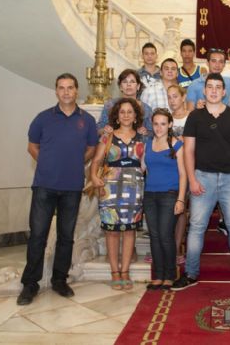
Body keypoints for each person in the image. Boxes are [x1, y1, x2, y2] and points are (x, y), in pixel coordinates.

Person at [172, 73, 230, 292]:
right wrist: (192, 179)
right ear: (204, 90)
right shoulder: (195, 117)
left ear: (224, 91)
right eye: (209, 86)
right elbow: (188, 150)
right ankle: (190, 273)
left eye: (218, 87)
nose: (213, 90)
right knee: (197, 227)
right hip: (202, 177)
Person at [17, 73, 98, 306]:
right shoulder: (43, 118)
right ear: (56, 91)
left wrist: (75, 162)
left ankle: (59, 279)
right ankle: (30, 284)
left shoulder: (87, 121)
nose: (66, 92)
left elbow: (92, 148)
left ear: (76, 91)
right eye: (61, 88)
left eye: (70, 87)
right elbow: (32, 146)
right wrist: (46, 163)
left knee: (66, 236)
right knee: (38, 235)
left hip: (72, 186)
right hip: (44, 185)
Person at [89, 98, 145, 291]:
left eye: (130, 112)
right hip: (110, 188)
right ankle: (114, 272)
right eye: (122, 112)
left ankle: (125, 271)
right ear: (117, 116)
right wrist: (94, 177)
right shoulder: (108, 137)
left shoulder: (142, 138)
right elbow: (96, 161)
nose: (126, 115)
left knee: (130, 231)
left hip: (134, 189)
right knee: (112, 231)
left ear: (135, 116)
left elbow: (147, 163)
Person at [142, 108, 187, 290]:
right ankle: (158, 275)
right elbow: (142, 169)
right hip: (149, 195)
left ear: (170, 125)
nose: (159, 128)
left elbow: (183, 174)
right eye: (156, 124)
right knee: (154, 236)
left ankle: (170, 275)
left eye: (163, 124)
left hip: (170, 194)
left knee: (165, 235)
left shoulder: (177, 144)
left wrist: (181, 199)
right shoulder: (147, 144)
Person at [167, 84, 192, 264]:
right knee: (168, 209)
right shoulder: (166, 119)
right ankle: (166, 248)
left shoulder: (192, 117)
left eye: (175, 96)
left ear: (183, 98)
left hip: (188, 167)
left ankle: (176, 248)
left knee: (181, 208)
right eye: (169, 97)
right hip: (169, 169)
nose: (172, 100)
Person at [97, 69, 152, 136]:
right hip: (114, 141)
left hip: (139, 142)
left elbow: (152, 132)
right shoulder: (110, 105)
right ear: (120, 87)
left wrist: (145, 132)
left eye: (132, 82)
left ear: (138, 86)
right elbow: (99, 128)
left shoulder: (146, 108)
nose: (128, 84)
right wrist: (104, 130)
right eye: (125, 82)